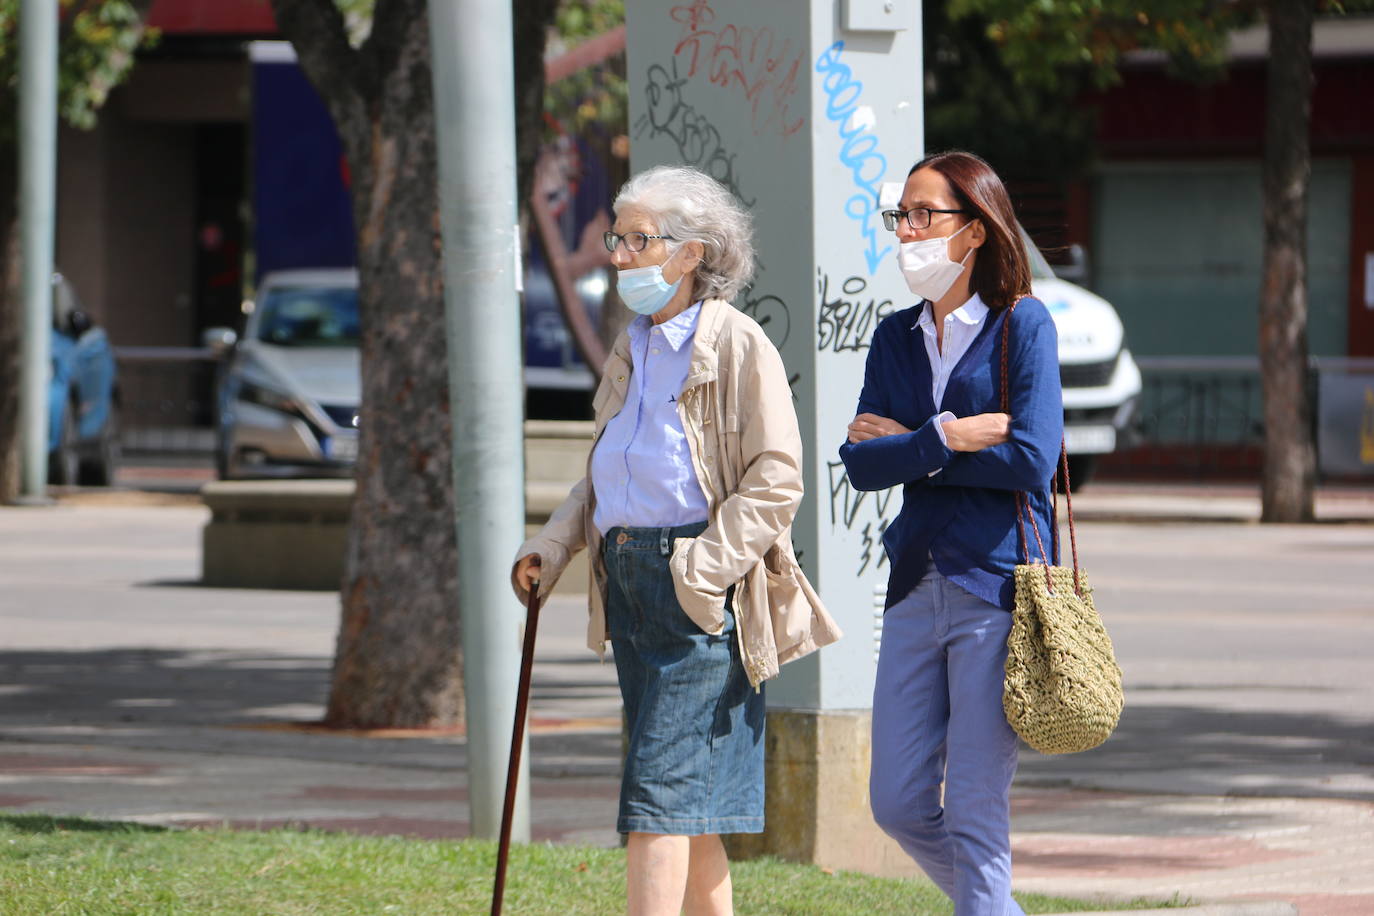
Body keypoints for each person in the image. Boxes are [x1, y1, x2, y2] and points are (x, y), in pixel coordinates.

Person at [512, 164, 840, 916]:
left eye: (638, 239)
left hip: (695, 589)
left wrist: (704, 568)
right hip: (629, 581)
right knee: (687, 807)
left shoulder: (734, 342)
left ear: (691, 254)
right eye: (616, 237)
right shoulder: (633, 345)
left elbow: (778, 477)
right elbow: (606, 475)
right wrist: (553, 547)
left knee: (655, 799)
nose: (619, 254)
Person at [838, 150, 1064, 916]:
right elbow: (861, 465)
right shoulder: (895, 336)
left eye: (923, 215)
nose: (907, 231)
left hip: (996, 586)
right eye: (900, 215)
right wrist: (948, 438)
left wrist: (912, 445)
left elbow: (1032, 458)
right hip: (912, 584)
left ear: (973, 230)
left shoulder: (1022, 325)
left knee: (973, 805)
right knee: (898, 802)